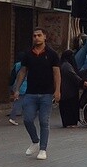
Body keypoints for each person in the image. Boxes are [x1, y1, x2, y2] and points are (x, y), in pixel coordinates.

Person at [13, 28, 60, 160]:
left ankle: (43, 149)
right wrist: (17, 89)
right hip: (30, 93)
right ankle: (35, 141)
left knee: (44, 121)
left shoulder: (52, 54)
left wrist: (57, 91)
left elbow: (57, 73)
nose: (36, 38)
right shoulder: (28, 54)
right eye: (34, 36)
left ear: (45, 37)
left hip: (46, 93)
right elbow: (23, 72)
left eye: (39, 35)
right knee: (27, 119)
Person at [58, 49, 87, 128]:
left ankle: (67, 122)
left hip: (64, 90)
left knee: (65, 107)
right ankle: (70, 123)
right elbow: (74, 76)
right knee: (71, 106)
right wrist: (83, 83)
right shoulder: (67, 66)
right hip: (69, 90)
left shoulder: (62, 64)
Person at [7, 60, 26, 125]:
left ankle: (13, 117)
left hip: (17, 85)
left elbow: (13, 75)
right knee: (23, 103)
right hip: (25, 86)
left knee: (17, 102)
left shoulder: (17, 65)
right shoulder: (29, 64)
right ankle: (12, 118)